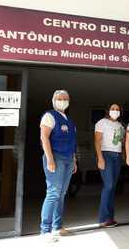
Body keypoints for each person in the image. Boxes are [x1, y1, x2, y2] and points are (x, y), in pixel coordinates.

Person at [39, 90, 77, 242]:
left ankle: (57, 227)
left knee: (62, 194)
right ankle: (45, 230)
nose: (62, 101)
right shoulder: (49, 116)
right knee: (53, 193)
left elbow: (73, 143)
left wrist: (74, 160)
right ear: (54, 100)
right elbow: (44, 137)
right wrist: (50, 159)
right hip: (56, 157)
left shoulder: (70, 120)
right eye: (59, 98)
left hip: (68, 159)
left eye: (65, 99)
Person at [94, 103, 125, 227]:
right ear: (108, 111)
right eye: (113, 109)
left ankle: (110, 218)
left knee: (112, 187)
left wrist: (123, 153)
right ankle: (103, 219)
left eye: (117, 109)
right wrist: (100, 158)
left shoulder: (120, 125)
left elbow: (121, 142)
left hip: (117, 156)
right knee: (109, 185)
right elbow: (97, 140)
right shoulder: (102, 122)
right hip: (106, 154)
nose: (115, 111)